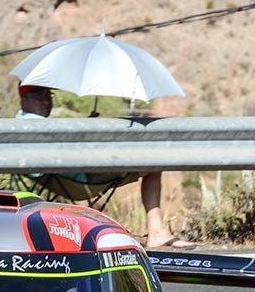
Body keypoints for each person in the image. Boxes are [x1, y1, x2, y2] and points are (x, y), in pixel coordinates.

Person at [16, 83, 194, 249]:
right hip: (82, 180)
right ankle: (156, 232)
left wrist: (84, 130)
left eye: (49, 95)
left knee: (137, 158)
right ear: (24, 100)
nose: (47, 101)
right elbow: (58, 158)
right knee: (153, 165)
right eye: (40, 96)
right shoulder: (32, 124)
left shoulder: (15, 126)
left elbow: (57, 153)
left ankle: (157, 232)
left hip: (67, 179)